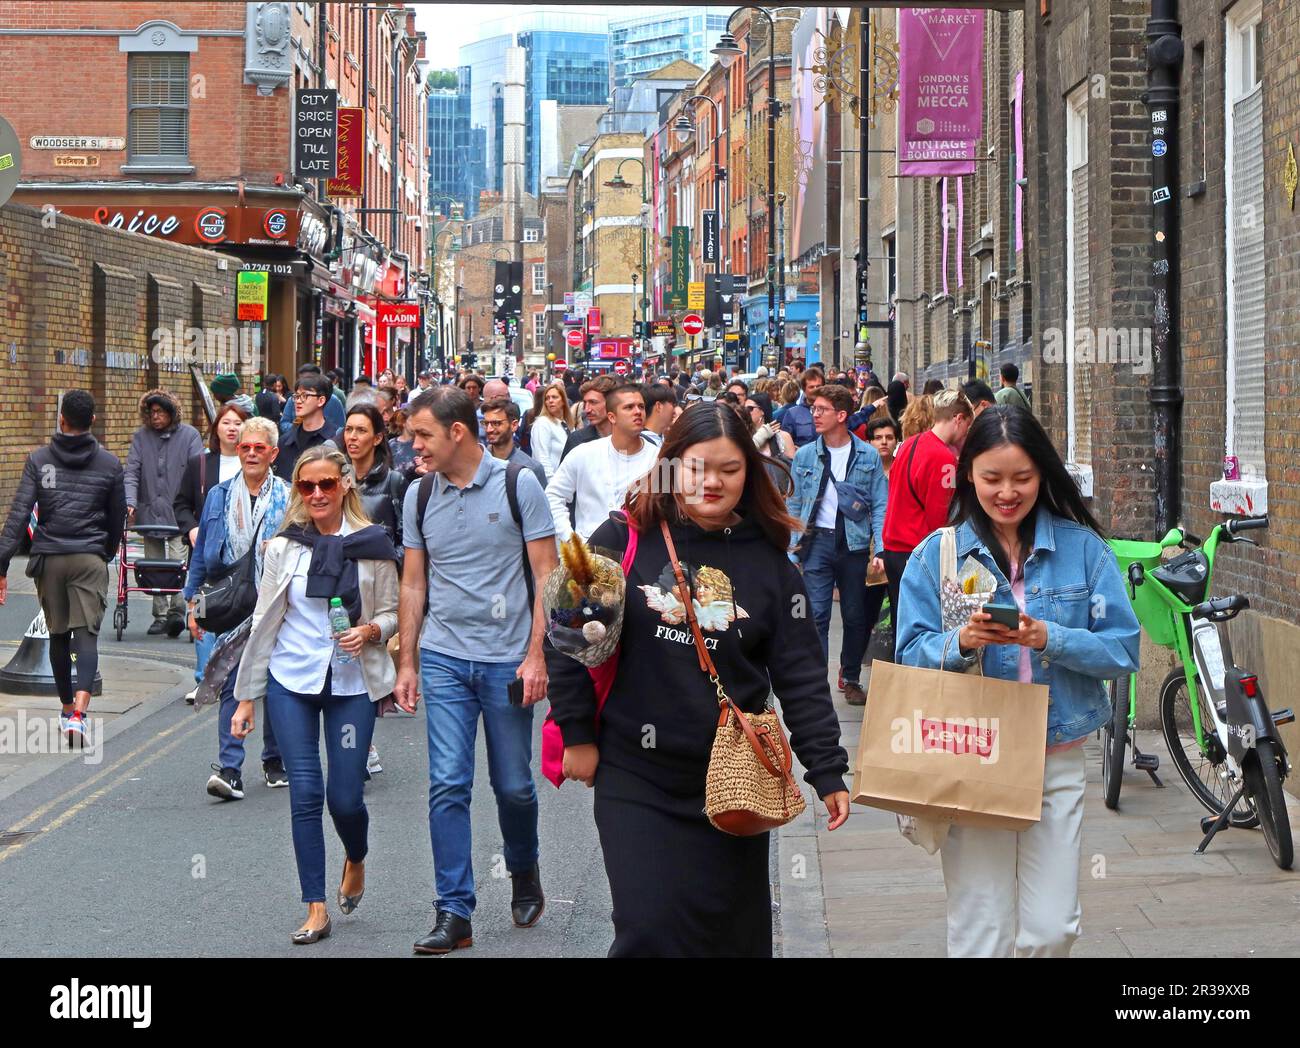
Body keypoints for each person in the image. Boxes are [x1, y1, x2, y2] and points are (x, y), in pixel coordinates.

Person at [545, 402, 850, 957]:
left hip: (731, 777)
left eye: (729, 470)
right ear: (670, 465)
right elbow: (568, 638)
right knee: (647, 928)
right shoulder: (620, 534)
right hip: (635, 773)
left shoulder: (772, 565)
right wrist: (577, 735)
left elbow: (802, 676)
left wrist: (826, 768)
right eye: (695, 467)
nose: (711, 482)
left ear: (749, 475)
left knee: (729, 936)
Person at [896, 406, 1140, 957]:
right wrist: (961, 643)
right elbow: (909, 654)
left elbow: (1123, 650)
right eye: (992, 478)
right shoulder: (941, 556)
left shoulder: (1082, 550)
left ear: (1043, 475)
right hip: (972, 751)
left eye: (1022, 478)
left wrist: (1048, 637)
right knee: (983, 927)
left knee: (1054, 926)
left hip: (1055, 754)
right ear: (968, 476)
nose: (1008, 492)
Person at [395, 387, 558, 954]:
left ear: (456, 432)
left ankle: (523, 869)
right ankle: (454, 911)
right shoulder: (417, 496)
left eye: (422, 435)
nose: (413, 445)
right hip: (443, 657)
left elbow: (547, 576)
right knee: (447, 782)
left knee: (513, 786)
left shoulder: (520, 484)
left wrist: (536, 655)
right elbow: (413, 582)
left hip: (507, 661)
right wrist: (408, 660)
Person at [231, 446, 400, 945]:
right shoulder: (284, 547)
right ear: (299, 492)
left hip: (351, 684)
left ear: (346, 483)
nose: (318, 494)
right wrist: (245, 698)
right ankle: (315, 907)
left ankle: (356, 854)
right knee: (305, 793)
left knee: (345, 797)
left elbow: (394, 613)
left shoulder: (373, 545)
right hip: (291, 681)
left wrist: (370, 630)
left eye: (327, 484)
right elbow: (263, 624)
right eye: (307, 487)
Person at [0, 390, 125, 745]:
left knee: (57, 636)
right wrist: (106, 551)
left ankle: (66, 704)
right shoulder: (110, 464)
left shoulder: (38, 460)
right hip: (89, 556)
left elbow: (19, 515)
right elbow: (117, 518)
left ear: (61, 420)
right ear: (94, 422)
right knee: (86, 635)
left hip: (50, 558)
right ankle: (79, 715)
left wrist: (2, 564)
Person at [185, 417, 291, 798]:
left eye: (258, 448)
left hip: (277, 602)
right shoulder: (218, 495)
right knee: (232, 680)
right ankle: (230, 770)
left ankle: (274, 760)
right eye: (245, 447)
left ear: (273, 453)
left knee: (275, 682)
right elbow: (202, 552)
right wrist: (192, 601)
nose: (250, 453)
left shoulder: (290, 495)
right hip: (231, 601)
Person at [786, 383, 889, 707]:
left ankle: (852, 675)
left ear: (841, 415)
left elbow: (880, 504)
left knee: (856, 615)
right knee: (816, 614)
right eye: (813, 409)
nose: (814, 415)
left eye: (821, 410)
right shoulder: (805, 455)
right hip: (816, 541)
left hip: (854, 544)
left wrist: (881, 548)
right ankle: (818, 680)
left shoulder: (868, 455)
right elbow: (794, 501)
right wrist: (791, 547)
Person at [881, 389, 974, 659]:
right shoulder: (944, 459)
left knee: (902, 620)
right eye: (967, 425)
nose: (967, 434)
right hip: (917, 548)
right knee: (924, 624)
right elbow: (940, 518)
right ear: (958, 418)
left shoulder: (909, 443)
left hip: (893, 546)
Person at [174, 401, 248, 696]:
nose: (232, 428)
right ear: (216, 428)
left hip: (241, 558)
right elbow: (180, 503)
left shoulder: (252, 461)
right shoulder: (201, 464)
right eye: (226, 422)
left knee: (237, 615)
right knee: (203, 611)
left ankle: (233, 678)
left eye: (238, 423)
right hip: (206, 555)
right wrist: (191, 527)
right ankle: (204, 679)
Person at [125, 388, 204, 636]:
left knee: (178, 564)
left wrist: (195, 505)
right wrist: (130, 501)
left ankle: (176, 612)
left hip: (179, 513)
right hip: (150, 511)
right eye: (151, 412)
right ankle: (159, 615)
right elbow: (131, 472)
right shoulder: (141, 437)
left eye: (160, 412)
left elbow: (197, 472)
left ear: (172, 413)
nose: (155, 417)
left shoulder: (189, 436)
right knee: (153, 565)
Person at [546, 384, 658, 543]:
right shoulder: (584, 453)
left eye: (641, 406)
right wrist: (570, 539)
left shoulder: (658, 459)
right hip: (588, 554)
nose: (637, 412)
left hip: (639, 556)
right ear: (612, 417)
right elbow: (553, 495)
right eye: (629, 407)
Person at [276, 374, 339, 481]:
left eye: (305, 395)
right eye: (296, 396)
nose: (298, 401)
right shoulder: (285, 441)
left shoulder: (335, 439)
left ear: (321, 400)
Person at [482, 397, 547, 489]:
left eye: (496, 423)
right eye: (486, 423)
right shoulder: (477, 464)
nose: (489, 429)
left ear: (514, 425)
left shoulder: (531, 468)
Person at [559, 375, 619, 462]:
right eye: (585, 403)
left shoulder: (630, 438)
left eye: (593, 402)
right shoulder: (577, 440)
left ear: (611, 403)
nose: (587, 410)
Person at [277, 365, 347, 436]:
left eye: (309, 380)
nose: (299, 401)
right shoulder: (293, 399)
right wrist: (301, 429)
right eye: (301, 379)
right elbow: (284, 423)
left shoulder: (334, 401)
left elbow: (341, 427)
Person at [528, 383, 570, 479]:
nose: (550, 401)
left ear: (563, 400)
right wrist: (552, 486)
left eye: (554, 397)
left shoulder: (566, 424)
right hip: (552, 485)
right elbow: (542, 458)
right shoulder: (542, 423)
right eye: (547, 398)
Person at [781, 367, 823, 448]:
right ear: (804, 389)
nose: (815, 390)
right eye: (811, 387)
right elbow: (785, 444)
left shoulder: (832, 410)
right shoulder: (792, 413)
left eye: (818, 386)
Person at [639, 382, 677, 446]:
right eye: (673, 405)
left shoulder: (663, 438)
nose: (675, 411)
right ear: (659, 406)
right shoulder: (638, 444)